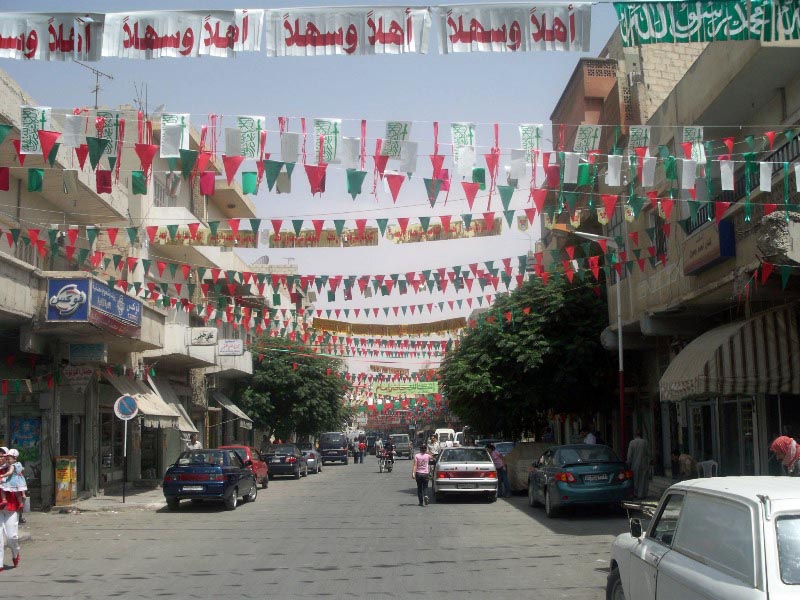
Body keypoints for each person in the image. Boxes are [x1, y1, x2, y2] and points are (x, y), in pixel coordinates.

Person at [0, 448, 21, 571]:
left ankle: (15, 553)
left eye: (3, 456)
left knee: (11, 536)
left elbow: (20, 484)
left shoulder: (13, 468)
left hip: (10, 506)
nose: (1, 458)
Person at [3, 450, 27, 525]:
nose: (7, 461)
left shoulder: (12, 466)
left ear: (14, 459)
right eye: (6, 459)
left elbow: (9, 473)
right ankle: (20, 503)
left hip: (12, 481)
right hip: (19, 481)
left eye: (9, 459)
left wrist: (3, 475)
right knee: (17, 493)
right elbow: (23, 469)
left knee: (3, 488)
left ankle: (4, 499)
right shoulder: (19, 464)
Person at [627, 430, 651, 499]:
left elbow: (629, 455)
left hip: (635, 464)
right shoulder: (645, 442)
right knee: (643, 480)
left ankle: (636, 494)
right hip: (644, 464)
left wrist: (628, 463)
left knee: (636, 480)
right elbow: (648, 453)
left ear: (635, 435)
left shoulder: (632, 443)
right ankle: (642, 494)